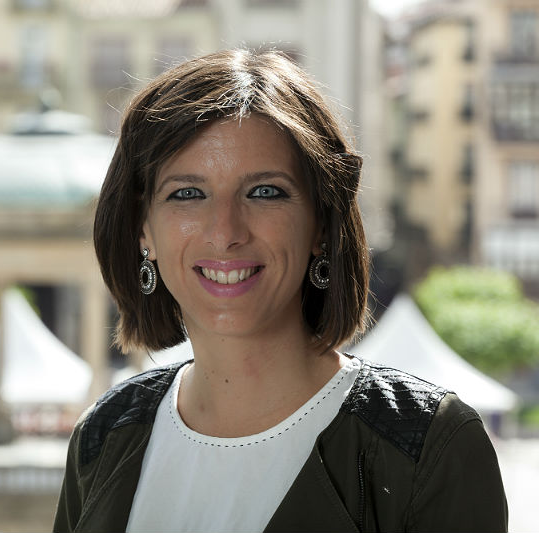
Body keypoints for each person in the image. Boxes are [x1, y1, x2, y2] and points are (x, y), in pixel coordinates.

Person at [54, 49, 507, 532]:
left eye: (265, 192)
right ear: (144, 228)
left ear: (321, 223)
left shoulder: (429, 449)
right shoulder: (103, 435)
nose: (225, 233)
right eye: (187, 194)